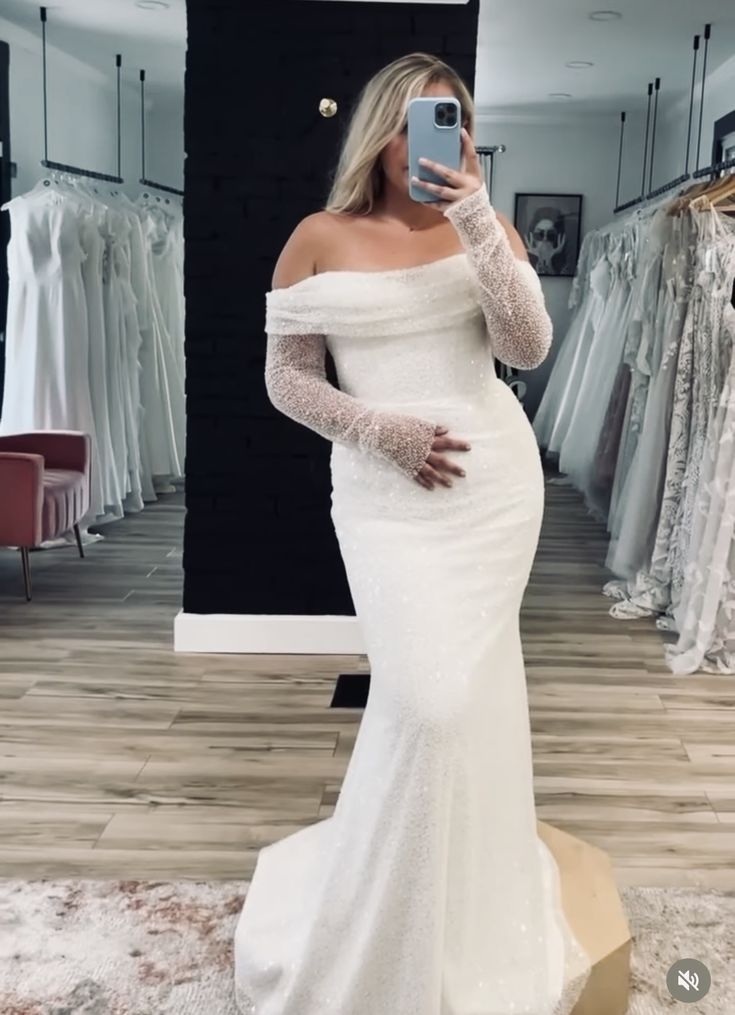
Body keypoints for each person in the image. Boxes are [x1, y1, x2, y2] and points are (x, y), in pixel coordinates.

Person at [233, 52, 592, 1015]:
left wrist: (476, 213)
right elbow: (285, 379)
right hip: (384, 500)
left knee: (461, 698)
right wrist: (377, 428)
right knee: (421, 701)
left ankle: (459, 907)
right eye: (412, 120)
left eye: (449, 120)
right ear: (378, 131)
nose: (427, 139)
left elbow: (524, 348)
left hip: (491, 491)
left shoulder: (484, 223)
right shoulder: (318, 235)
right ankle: (379, 918)